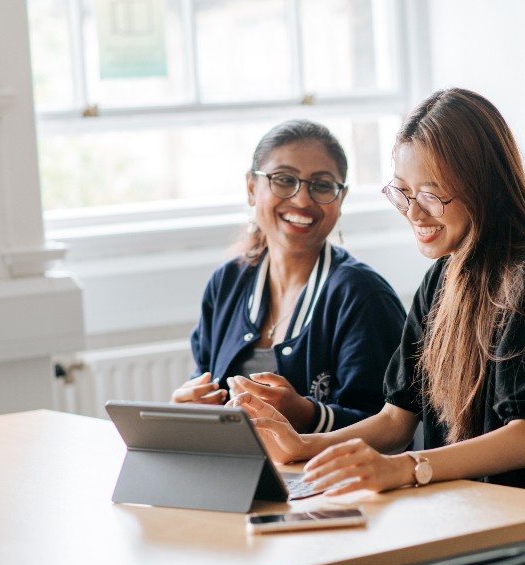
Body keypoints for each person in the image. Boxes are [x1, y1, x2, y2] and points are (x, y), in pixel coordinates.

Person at [231, 89, 525, 497]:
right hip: (467, 507)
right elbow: (395, 422)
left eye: (430, 193)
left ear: (485, 187)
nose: (413, 211)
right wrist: (303, 445)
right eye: (404, 192)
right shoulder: (443, 277)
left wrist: (404, 469)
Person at [172, 119, 406, 434]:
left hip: (324, 481)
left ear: (341, 199)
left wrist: (310, 415)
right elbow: (203, 380)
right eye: (284, 180)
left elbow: (392, 429)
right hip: (232, 472)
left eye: (322, 185)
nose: (302, 200)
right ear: (252, 188)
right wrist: (186, 408)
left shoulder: (363, 296)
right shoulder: (227, 283)